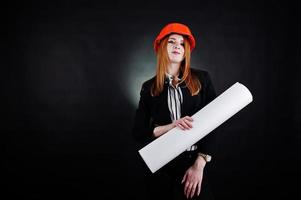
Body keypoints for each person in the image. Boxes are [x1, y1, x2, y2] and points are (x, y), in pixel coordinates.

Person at [132, 22, 217, 200]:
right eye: (172, 41)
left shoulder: (202, 79)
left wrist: (199, 164)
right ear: (162, 47)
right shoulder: (148, 87)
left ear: (186, 51)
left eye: (182, 43)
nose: (178, 45)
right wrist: (170, 127)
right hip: (162, 167)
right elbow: (138, 132)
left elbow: (216, 122)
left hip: (194, 163)